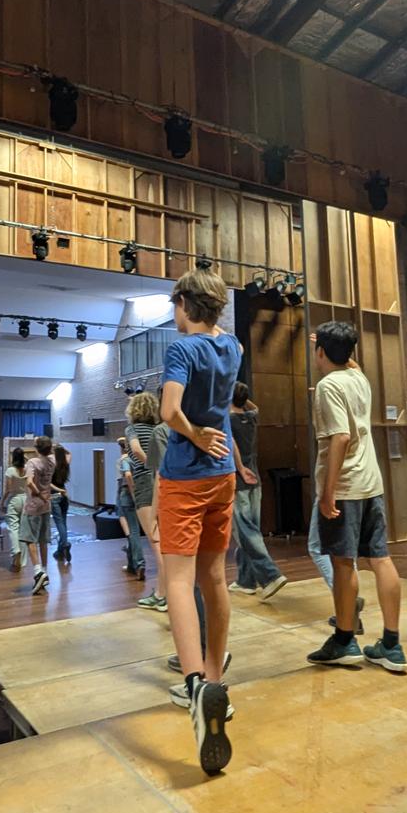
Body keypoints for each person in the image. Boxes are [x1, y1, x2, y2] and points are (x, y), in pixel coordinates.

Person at [155, 266, 240, 776]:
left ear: (185, 303)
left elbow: (169, 411)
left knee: (178, 581)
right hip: (223, 475)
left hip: (185, 476)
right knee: (215, 578)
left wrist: (193, 433)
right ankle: (215, 680)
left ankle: (193, 686)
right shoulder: (232, 347)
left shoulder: (181, 349)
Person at [305, 322, 407, 674]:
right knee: (381, 558)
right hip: (371, 482)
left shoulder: (328, 385)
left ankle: (345, 640)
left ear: (320, 352)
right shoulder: (359, 379)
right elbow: (352, 362)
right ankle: (392, 644)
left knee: (343, 562)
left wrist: (328, 491)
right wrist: (338, 345)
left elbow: (340, 437)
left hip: (345, 486)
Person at [227, 382, 288, 601]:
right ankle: (246, 581)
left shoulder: (227, 420)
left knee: (245, 531)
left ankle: (271, 575)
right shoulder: (251, 416)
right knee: (251, 527)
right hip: (255, 480)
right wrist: (241, 396)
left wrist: (239, 468)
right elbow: (255, 407)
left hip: (240, 479)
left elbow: (231, 444)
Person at [126, 392, 169, 611]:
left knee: (156, 541)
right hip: (165, 484)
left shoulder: (132, 429)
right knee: (165, 540)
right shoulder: (158, 429)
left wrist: (151, 465)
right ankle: (162, 592)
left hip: (145, 482)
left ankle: (165, 595)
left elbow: (135, 449)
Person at [21, 436, 56, 594]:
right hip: (46, 505)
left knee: (30, 539)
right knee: (43, 540)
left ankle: (37, 571)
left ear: (36, 448)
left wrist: (38, 494)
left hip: (33, 505)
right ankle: (45, 571)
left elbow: (29, 482)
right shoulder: (52, 461)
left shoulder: (32, 462)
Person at [116, 438, 146, 579]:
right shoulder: (140, 460)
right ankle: (132, 564)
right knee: (135, 530)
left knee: (132, 532)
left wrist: (132, 491)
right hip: (142, 493)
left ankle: (139, 563)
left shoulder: (124, 460)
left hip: (127, 495)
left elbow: (127, 475)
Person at [3, 447, 30, 572]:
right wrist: (24, 457)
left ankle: (16, 551)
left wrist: (2, 501)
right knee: (22, 530)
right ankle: (22, 561)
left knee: (13, 527)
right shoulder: (27, 469)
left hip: (14, 499)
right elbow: (28, 462)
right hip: (25, 499)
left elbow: (8, 489)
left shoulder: (10, 470)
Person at [50, 442, 74, 565]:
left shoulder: (52, 465)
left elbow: (49, 483)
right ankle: (60, 551)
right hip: (64, 496)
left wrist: (59, 490)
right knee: (63, 523)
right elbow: (69, 453)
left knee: (59, 524)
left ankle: (65, 544)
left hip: (54, 495)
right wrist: (60, 447)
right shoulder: (66, 463)